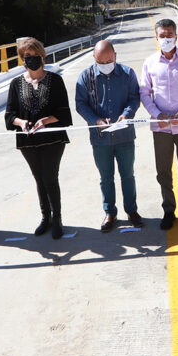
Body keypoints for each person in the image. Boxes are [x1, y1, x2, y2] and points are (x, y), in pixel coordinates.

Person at [5, 37, 73, 238]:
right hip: (27, 140)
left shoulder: (55, 80)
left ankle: (58, 219)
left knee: (50, 177)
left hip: (52, 138)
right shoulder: (16, 84)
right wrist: (21, 123)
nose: (32, 59)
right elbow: (10, 115)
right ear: (22, 59)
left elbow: (65, 113)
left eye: (36, 55)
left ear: (43, 57)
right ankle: (46, 217)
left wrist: (46, 121)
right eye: (28, 56)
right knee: (38, 178)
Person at [139, 18, 178, 230]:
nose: (166, 39)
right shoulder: (149, 62)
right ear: (156, 37)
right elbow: (144, 92)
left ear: (176, 36)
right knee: (163, 171)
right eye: (162, 36)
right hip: (161, 127)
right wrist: (157, 114)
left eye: (169, 35)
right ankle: (168, 210)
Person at [75, 40, 144, 232]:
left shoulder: (128, 73)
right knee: (106, 177)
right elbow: (80, 104)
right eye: (100, 62)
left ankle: (132, 211)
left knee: (128, 175)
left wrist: (127, 115)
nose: (105, 65)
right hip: (100, 138)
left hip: (125, 136)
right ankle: (110, 213)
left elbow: (134, 98)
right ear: (94, 59)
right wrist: (96, 120)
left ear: (115, 56)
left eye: (108, 61)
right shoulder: (85, 77)